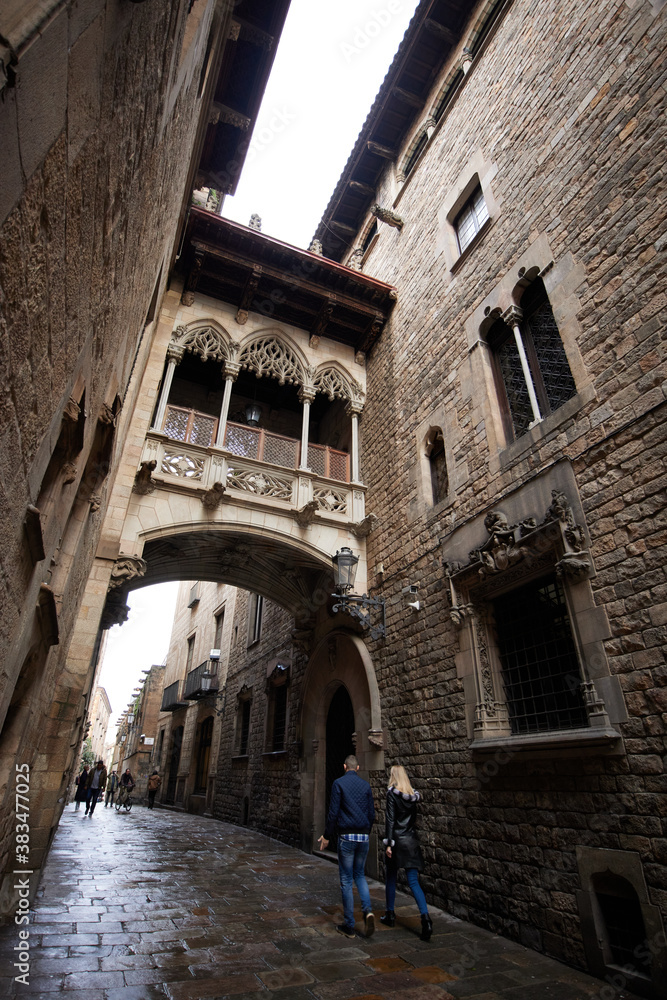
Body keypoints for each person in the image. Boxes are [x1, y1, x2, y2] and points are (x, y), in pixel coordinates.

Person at [318, 754, 375, 939]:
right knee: (360, 875)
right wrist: (366, 831)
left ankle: (349, 925)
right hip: (363, 837)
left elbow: (333, 812)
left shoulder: (339, 784)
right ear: (357, 768)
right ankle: (367, 911)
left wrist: (327, 836)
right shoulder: (366, 786)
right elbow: (372, 814)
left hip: (347, 837)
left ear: (344, 767)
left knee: (346, 880)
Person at [381, 764, 432, 941]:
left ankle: (390, 914)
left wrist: (388, 844)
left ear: (393, 776)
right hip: (410, 841)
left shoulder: (391, 794)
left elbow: (390, 819)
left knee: (391, 878)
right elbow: (411, 821)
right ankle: (426, 919)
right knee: (413, 881)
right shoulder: (412, 796)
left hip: (396, 841)